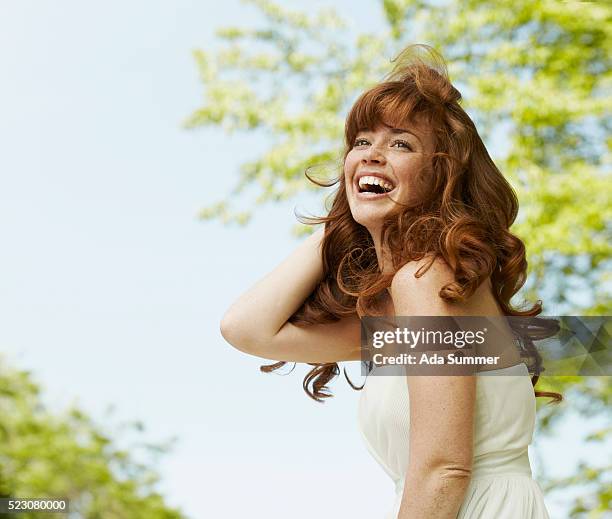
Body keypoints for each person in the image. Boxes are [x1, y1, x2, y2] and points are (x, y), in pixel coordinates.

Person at [220, 44, 561, 519]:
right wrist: (342, 218)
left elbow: (444, 469)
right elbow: (246, 328)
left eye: (400, 144)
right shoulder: (396, 315)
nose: (372, 155)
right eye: (361, 143)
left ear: (439, 174)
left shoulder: (425, 279)